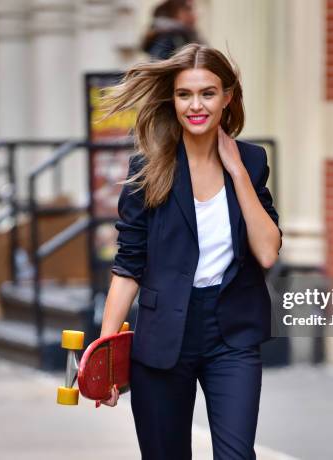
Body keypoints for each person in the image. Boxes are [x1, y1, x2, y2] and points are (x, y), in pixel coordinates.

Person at [98, 43, 282, 460]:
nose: (195, 105)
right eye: (185, 94)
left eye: (207, 93)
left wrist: (236, 171)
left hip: (230, 334)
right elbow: (128, 267)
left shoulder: (251, 162)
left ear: (227, 97)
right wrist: (105, 354)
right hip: (164, 338)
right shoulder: (148, 169)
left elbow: (268, 252)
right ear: (173, 99)